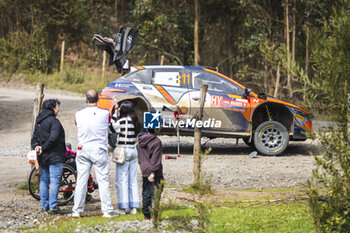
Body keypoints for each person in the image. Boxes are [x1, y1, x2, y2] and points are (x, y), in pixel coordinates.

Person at [72, 90, 116, 218]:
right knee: (103, 181)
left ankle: (77, 210)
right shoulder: (105, 113)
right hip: (99, 149)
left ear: (86, 100)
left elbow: (76, 124)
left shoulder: (78, 114)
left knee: (81, 181)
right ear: (98, 100)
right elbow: (110, 123)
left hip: (83, 148)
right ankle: (107, 210)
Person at [31, 99, 65, 214]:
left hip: (42, 156)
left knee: (44, 181)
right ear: (52, 108)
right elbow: (53, 138)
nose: (58, 109)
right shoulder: (54, 122)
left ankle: (44, 205)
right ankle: (53, 206)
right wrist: (43, 148)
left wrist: (37, 147)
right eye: (57, 107)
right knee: (54, 181)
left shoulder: (39, 121)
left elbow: (34, 138)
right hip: (54, 156)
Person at [110, 100, 141, 215]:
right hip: (133, 150)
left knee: (121, 180)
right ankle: (133, 207)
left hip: (124, 151)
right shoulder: (136, 121)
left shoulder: (122, 121)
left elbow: (111, 128)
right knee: (133, 180)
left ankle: (122, 207)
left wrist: (114, 114)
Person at [137, 128, 164, 220]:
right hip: (154, 171)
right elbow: (156, 158)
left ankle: (146, 215)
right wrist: (153, 172)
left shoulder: (140, 140)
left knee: (146, 192)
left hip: (144, 169)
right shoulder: (156, 141)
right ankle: (153, 214)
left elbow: (139, 155)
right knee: (156, 192)